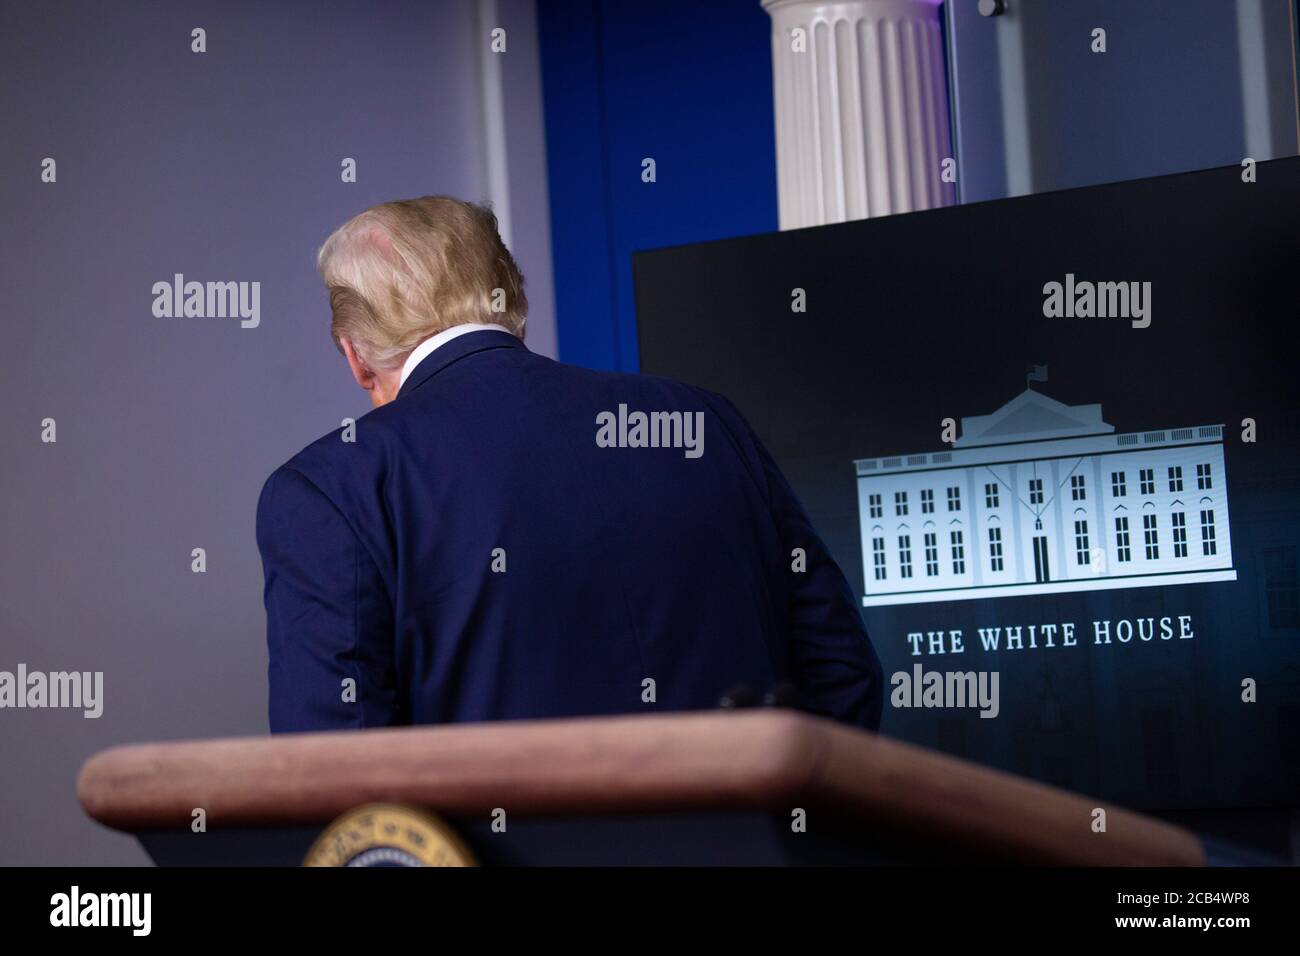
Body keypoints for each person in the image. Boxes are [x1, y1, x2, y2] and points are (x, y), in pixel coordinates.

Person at [256, 196, 882, 732]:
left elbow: (338, 771)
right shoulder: (703, 421)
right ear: (511, 299)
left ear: (355, 355)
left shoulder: (330, 488)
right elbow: (842, 670)